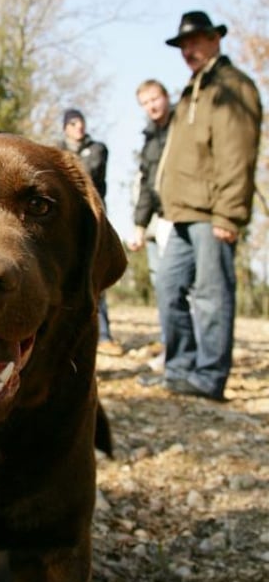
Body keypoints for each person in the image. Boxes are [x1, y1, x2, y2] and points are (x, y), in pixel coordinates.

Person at [156, 10, 262, 401]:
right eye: (183, 44)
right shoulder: (192, 88)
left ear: (216, 39)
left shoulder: (232, 86)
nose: (189, 49)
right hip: (180, 211)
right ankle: (179, 369)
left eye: (196, 40)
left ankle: (209, 377)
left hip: (212, 213)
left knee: (213, 296)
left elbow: (238, 155)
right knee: (168, 288)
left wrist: (229, 214)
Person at [61, 108, 123, 356]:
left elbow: (85, 172)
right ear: (65, 127)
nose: (79, 127)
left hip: (90, 221)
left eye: (81, 122)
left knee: (95, 279)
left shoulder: (97, 148)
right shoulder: (56, 148)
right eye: (73, 123)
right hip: (64, 224)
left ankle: (104, 335)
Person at [128, 79, 174, 370]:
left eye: (155, 99)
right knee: (165, 287)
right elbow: (147, 184)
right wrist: (139, 226)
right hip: (159, 219)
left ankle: (191, 356)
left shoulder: (181, 127)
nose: (152, 106)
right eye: (145, 103)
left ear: (166, 97)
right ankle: (174, 350)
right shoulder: (149, 137)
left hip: (181, 214)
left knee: (184, 288)